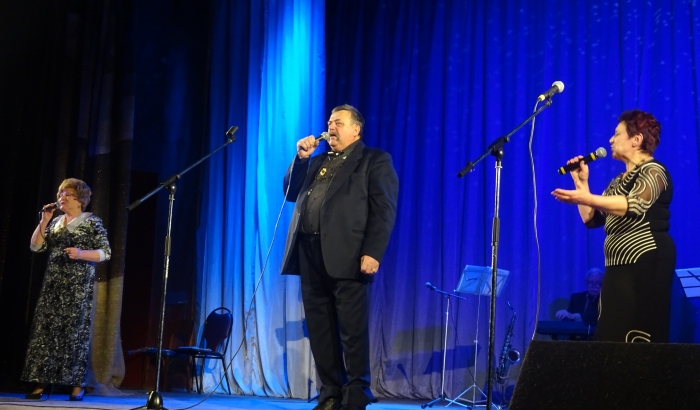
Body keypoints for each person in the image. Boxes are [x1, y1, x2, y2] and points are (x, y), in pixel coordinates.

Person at [281, 104, 399, 410]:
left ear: (356, 129)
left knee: (351, 331)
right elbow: (290, 193)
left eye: (339, 122)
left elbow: (384, 211)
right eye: (330, 122)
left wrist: (373, 252)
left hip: (349, 255)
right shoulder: (317, 160)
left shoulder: (374, 160)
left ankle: (357, 395)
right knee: (320, 329)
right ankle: (331, 394)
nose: (331, 127)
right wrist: (301, 159)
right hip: (309, 253)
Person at [552, 109, 675, 343]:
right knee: (611, 331)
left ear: (636, 139)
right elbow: (592, 220)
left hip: (646, 260)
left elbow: (635, 204)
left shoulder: (654, 171)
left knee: (639, 331)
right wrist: (582, 185)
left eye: (617, 134)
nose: (610, 139)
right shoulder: (617, 181)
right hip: (617, 266)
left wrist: (586, 198)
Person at [22, 178, 111, 400]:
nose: (62, 197)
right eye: (60, 194)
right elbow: (36, 246)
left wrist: (81, 254)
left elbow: (105, 252)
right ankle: (41, 382)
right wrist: (44, 221)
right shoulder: (55, 221)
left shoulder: (92, 222)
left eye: (67, 194)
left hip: (77, 285)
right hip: (53, 284)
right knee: (46, 332)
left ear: (80, 199)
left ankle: (77, 386)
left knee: (74, 334)